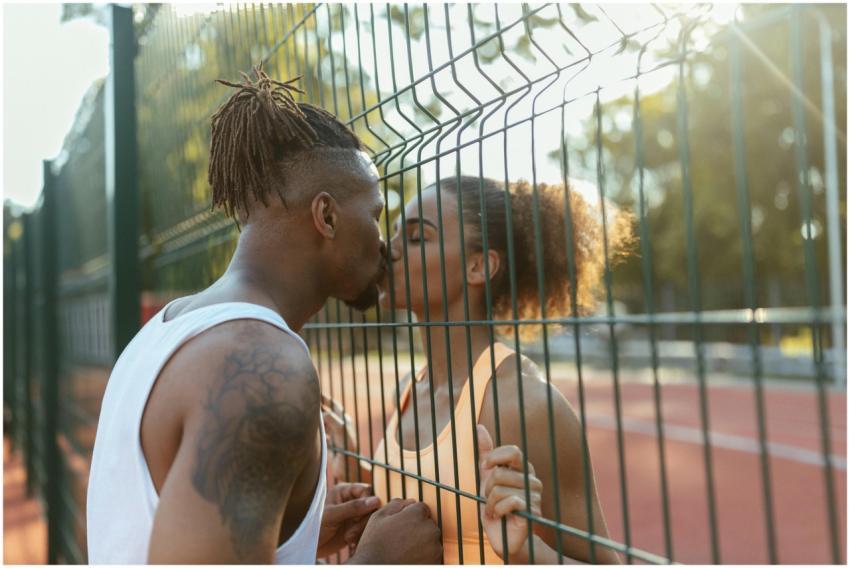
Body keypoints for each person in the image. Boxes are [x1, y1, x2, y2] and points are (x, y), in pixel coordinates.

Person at [85, 65, 442, 564]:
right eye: (376, 216)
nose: (383, 243)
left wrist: (289, 540)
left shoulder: (168, 329)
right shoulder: (261, 369)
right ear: (328, 216)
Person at [323, 175, 630, 563]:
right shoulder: (408, 389)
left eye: (417, 238)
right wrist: (358, 471)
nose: (389, 249)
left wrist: (525, 551)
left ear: (478, 265)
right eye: (396, 232)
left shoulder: (525, 404)